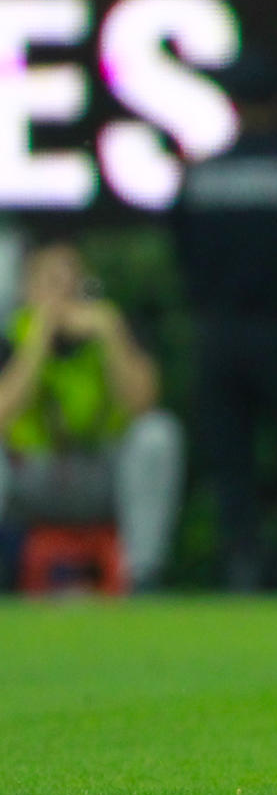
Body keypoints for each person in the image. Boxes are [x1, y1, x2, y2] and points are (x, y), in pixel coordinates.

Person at [170, 52, 277, 590]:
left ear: (232, 105)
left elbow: (183, 257)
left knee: (231, 457)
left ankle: (241, 562)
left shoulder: (200, 175)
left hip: (217, 331)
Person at [0, 234, 184, 591]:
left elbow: (144, 404)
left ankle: (145, 577)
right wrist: (40, 338)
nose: (65, 292)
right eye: (52, 281)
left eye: (73, 281)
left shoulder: (112, 326)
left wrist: (112, 333)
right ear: (28, 288)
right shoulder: (13, 336)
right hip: (36, 477)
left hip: (102, 474)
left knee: (158, 434)